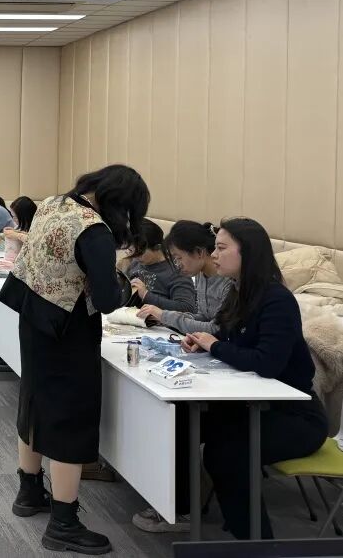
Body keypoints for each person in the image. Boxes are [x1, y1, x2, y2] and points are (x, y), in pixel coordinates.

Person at [136, 218, 327, 538]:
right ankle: (181, 508)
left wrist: (215, 346)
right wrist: (202, 344)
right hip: (249, 404)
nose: (214, 255)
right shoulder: (238, 294)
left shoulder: (277, 300)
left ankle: (255, 543)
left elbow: (266, 363)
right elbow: (226, 337)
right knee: (179, 419)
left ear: (247, 252)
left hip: (294, 416)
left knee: (227, 453)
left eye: (222, 248)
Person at [0, 164, 149, 555]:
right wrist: (125, 286)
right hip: (68, 330)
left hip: (33, 316)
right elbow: (107, 300)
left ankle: (29, 492)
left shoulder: (54, 204)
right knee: (70, 420)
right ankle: (63, 524)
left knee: (34, 402)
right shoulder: (94, 230)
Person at [136, 220, 230, 334]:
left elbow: (216, 329)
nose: (177, 265)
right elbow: (204, 317)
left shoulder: (228, 281)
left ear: (199, 252)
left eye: (179, 258)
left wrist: (164, 316)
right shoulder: (201, 274)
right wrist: (164, 318)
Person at [121, 219, 197, 314]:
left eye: (139, 253)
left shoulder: (178, 271)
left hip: (157, 321)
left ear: (157, 247)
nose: (134, 257)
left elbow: (187, 307)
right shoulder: (136, 262)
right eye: (131, 251)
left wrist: (146, 295)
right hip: (127, 315)